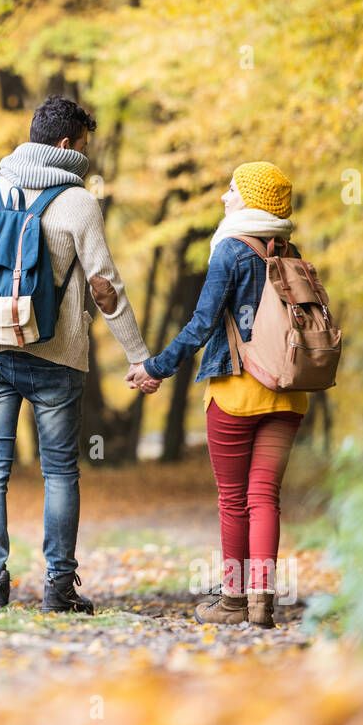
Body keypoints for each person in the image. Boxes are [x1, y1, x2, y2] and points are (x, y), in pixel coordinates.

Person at [0, 95, 157, 614]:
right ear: (66, 145)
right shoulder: (79, 203)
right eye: (84, 147)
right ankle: (59, 590)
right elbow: (105, 289)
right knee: (60, 472)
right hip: (58, 357)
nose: (86, 157)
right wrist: (138, 355)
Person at [127, 162, 307, 628]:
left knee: (233, 499)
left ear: (251, 201)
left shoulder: (230, 249)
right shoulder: (290, 250)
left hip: (235, 392)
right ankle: (262, 601)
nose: (225, 197)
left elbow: (202, 323)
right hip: (288, 395)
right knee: (265, 496)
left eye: (232, 189)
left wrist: (155, 368)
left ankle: (232, 599)